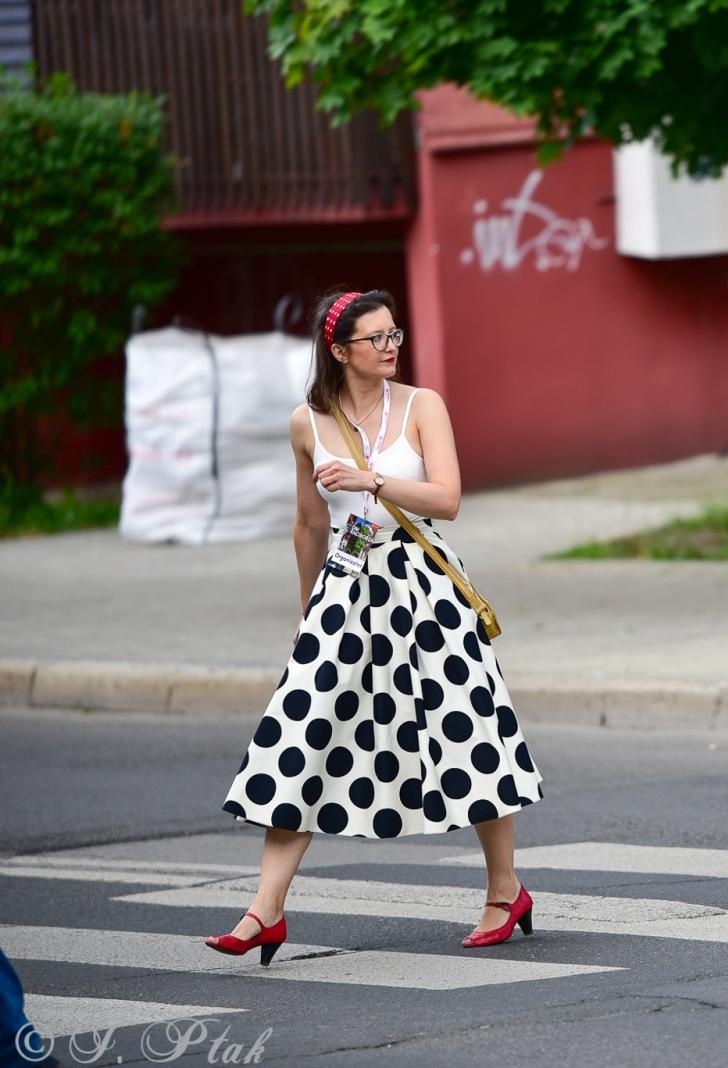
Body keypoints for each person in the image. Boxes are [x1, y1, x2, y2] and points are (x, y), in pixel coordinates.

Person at [206, 289, 545, 962]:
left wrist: (371, 481)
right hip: (346, 590)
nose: (392, 347)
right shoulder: (308, 422)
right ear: (340, 352)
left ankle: (506, 891)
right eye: (377, 340)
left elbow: (446, 500)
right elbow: (308, 523)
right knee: (299, 737)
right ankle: (264, 910)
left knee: (463, 729)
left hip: (423, 587)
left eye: (396, 335)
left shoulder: (423, 406)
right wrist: (308, 613)